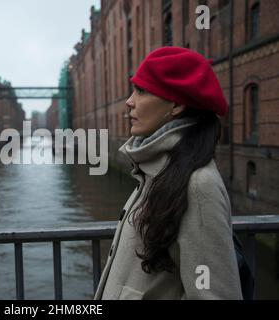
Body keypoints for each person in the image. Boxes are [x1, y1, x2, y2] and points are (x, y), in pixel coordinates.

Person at [94, 47, 243, 300]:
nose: (129, 101)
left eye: (141, 90)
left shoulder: (198, 185)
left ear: (176, 104)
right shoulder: (154, 171)